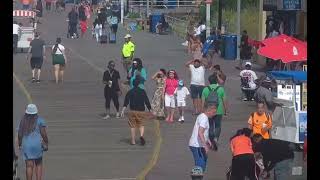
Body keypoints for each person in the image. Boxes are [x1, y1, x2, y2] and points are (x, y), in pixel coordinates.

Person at [16, 104, 49, 180]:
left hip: (27, 145)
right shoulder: (40, 120)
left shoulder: (23, 121)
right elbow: (43, 133)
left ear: (26, 112)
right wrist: (46, 142)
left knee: (29, 166)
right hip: (37, 145)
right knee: (38, 164)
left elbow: (20, 134)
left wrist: (20, 145)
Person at [121, 78, 152, 145]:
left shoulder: (130, 91)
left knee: (132, 126)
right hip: (141, 111)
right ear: (139, 84)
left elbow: (126, 101)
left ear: (132, 84)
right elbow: (146, 101)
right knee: (141, 125)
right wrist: (150, 109)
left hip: (132, 111)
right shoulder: (143, 91)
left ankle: (133, 141)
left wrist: (123, 110)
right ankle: (141, 136)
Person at [188, 101, 217, 174]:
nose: (214, 114)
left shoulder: (203, 116)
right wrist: (205, 146)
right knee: (200, 165)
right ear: (208, 111)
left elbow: (204, 133)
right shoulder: (204, 118)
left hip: (199, 145)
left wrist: (208, 141)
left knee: (203, 162)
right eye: (213, 112)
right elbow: (200, 133)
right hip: (197, 145)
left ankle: (199, 176)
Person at [201, 74, 228, 150]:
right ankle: (216, 138)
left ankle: (211, 139)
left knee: (210, 126)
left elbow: (202, 102)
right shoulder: (221, 89)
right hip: (218, 110)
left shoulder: (205, 89)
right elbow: (224, 101)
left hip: (209, 111)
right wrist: (225, 110)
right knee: (218, 125)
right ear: (216, 81)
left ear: (209, 81)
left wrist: (202, 111)